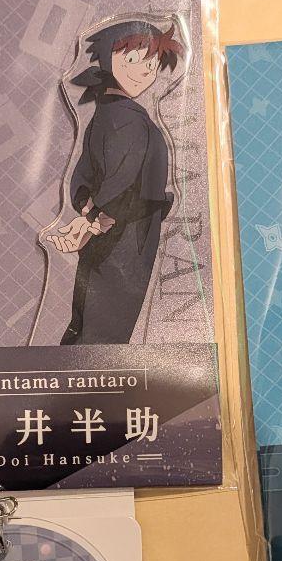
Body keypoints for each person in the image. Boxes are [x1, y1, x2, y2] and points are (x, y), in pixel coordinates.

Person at [48, 20, 183, 345]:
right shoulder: (126, 118)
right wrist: (94, 221)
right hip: (126, 235)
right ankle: (85, 374)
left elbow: (84, 176)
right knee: (105, 327)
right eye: (133, 59)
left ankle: (68, 371)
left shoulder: (107, 113)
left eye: (152, 64)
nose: (145, 71)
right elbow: (121, 176)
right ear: (108, 58)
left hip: (118, 232)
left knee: (89, 321)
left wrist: (88, 213)